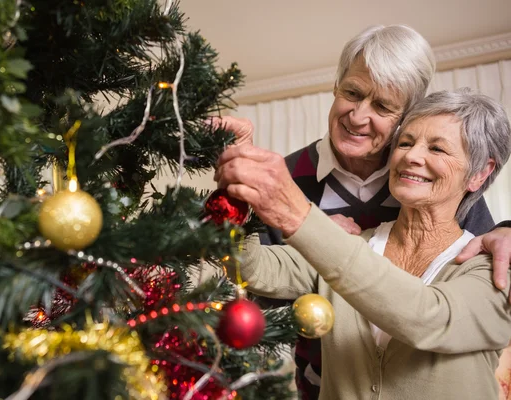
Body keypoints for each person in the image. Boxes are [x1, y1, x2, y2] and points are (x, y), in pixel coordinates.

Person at [211, 25, 511, 399]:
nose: (358, 116)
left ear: (405, 114)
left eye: (384, 106)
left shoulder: (430, 187)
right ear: (336, 87)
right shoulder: (282, 178)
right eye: (352, 93)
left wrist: (509, 228)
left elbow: (454, 299)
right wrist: (237, 186)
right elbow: (252, 272)